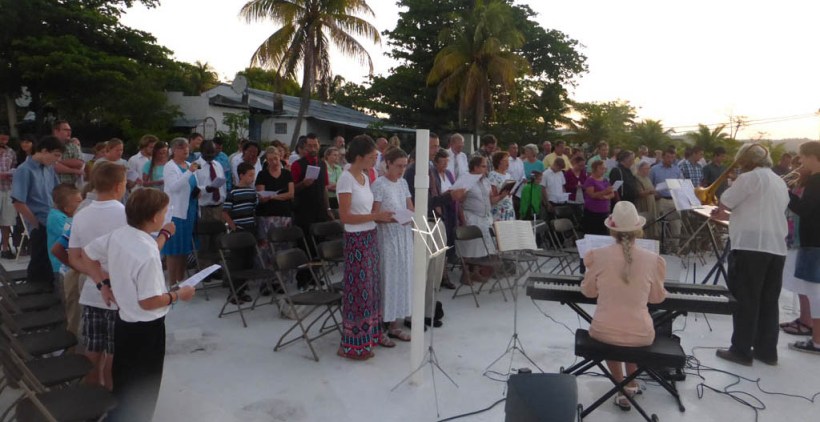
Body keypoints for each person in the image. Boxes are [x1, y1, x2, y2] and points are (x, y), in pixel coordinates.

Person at [80, 188, 194, 422]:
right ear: (154, 217)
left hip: (125, 323)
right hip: (146, 330)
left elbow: (88, 254)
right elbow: (149, 301)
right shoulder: (148, 255)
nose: (165, 216)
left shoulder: (121, 235)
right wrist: (178, 294)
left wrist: (102, 284)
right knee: (143, 390)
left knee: (124, 384)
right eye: (163, 212)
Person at [581, 201, 667, 410]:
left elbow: (588, 292)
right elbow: (657, 299)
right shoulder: (652, 259)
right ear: (638, 229)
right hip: (641, 333)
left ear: (612, 230)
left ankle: (621, 387)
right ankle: (630, 382)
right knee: (631, 332)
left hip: (603, 330)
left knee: (613, 333)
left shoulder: (598, 255)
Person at [712, 143, 789, 366]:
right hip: (775, 247)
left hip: (750, 247)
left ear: (745, 160)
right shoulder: (779, 181)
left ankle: (741, 350)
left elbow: (725, 201)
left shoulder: (749, 178)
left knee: (746, 299)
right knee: (768, 301)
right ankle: (767, 351)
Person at [68, 162, 128, 389]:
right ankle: (112, 402)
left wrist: (97, 275)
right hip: (119, 296)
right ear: (118, 186)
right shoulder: (126, 214)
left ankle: (91, 402)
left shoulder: (81, 214)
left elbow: (74, 258)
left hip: (91, 293)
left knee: (92, 351)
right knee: (115, 355)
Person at [336, 135, 394, 360]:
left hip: (369, 236)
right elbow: (346, 217)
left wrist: (382, 217)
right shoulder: (346, 179)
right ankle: (352, 344)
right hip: (356, 240)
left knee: (371, 289)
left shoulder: (364, 176)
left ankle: (369, 336)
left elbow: (366, 212)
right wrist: (375, 216)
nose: (374, 160)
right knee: (358, 293)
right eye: (371, 157)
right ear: (359, 157)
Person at [372, 148, 414, 343]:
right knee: (387, 278)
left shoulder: (403, 183)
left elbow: (410, 207)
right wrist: (394, 219)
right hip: (387, 236)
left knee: (402, 278)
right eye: (398, 166)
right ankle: (380, 327)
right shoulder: (379, 184)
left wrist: (410, 216)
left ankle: (395, 324)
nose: (402, 170)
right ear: (387, 163)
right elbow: (375, 215)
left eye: (404, 166)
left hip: (403, 235)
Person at [12, 135, 64, 285]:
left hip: (53, 219)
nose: (57, 160)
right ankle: (34, 294)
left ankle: (49, 290)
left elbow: (58, 192)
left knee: (51, 262)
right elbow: (18, 201)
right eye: (55, 155)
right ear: (44, 151)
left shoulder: (49, 168)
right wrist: (35, 224)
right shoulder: (24, 170)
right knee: (39, 262)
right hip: (39, 222)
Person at [784, 141, 820, 355]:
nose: (801, 161)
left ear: (812, 156)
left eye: (803, 157)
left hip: (814, 243)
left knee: (815, 293)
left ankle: (816, 340)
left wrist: (787, 194)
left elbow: (805, 210)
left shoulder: (816, 181)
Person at [162, 138, 200, 286]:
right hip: (176, 212)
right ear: (174, 151)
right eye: (181, 148)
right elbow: (174, 187)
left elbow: (193, 185)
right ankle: (172, 282)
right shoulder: (169, 167)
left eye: (186, 148)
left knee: (184, 248)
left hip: (189, 210)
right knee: (174, 249)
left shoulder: (190, 165)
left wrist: (199, 191)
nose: (185, 150)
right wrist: (189, 173)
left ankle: (181, 280)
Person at [46, 184, 82, 334]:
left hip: (64, 267)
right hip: (61, 268)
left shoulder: (62, 216)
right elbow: (72, 238)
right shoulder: (59, 219)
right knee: (68, 306)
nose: (82, 204)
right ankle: (65, 340)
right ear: (67, 208)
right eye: (79, 202)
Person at [291, 133, 333, 257]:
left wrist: (328, 208)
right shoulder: (297, 165)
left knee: (320, 244)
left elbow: (324, 187)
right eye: (310, 146)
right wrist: (303, 184)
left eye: (315, 145)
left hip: (320, 210)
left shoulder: (322, 164)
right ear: (305, 147)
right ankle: (306, 275)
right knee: (307, 246)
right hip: (304, 211)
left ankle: (318, 273)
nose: (313, 148)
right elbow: (292, 189)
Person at [457, 156, 496, 282]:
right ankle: (466, 273)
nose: (487, 169)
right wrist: (463, 221)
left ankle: (475, 272)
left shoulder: (485, 181)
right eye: (484, 166)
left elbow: (490, 200)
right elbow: (459, 201)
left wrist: (503, 195)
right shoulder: (466, 179)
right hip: (471, 217)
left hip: (484, 218)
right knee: (470, 247)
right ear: (475, 167)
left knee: (481, 248)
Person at [255, 147, 294, 268]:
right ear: (267, 160)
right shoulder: (262, 174)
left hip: (284, 214)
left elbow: (290, 194)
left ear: (280, 157)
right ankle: (266, 275)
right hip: (267, 215)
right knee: (266, 246)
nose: (274, 162)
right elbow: (261, 195)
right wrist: (278, 196)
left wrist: (272, 196)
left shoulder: (287, 174)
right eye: (270, 159)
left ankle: (283, 276)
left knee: (284, 245)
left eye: (276, 159)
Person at [650, 148, 683, 251]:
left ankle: (675, 248)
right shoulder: (654, 169)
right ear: (663, 157)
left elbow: (681, 183)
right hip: (660, 199)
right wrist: (655, 193)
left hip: (673, 199)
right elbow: (650, 184)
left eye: (673, 157)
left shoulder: (677, 169)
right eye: (668, 157)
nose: (670, 159)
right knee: (658, 224)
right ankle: (658, 247)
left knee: (676, 224)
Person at [194, 140, 227, 223]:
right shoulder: (196, 165)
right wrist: (206, 189)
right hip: (204, 208)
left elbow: (223, 185)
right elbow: (193, 186)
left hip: (219, 208)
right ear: (201, 151)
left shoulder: (218, 165)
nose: (211, 155)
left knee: (220, 235)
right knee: (204, 235)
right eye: (207, 152)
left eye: (213, 152)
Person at [583, 160, 615, 235]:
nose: (603, 171)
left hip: (604, 211)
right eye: (601, 168)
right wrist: (604, 192)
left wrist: (606, 197)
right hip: (593, 212)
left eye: (604, 168)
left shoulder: (605, 180)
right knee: (594, 233)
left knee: (605, 232)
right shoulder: (590, 180)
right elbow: (592, 195)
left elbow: (612, 194)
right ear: (594, 169)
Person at [0, 133, 18, 258]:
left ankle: (5, 248)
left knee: (7, 220)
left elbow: (14, 167)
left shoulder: (11, 152)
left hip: (8, 188)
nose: (4, 141)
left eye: (6, 138)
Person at [52, 120, 83, 185]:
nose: (69, 132)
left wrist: (58, 161)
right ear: (56, 131)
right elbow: (53, 166)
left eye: (70, 130)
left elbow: (79, 163)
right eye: (66, 130)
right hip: (51, 186)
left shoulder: (74, 146)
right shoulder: (47, 145)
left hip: (69, 186)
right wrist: (74, 170)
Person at [488, 151, 515, 221]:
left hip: (509, 209)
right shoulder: (493, 175)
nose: (508, 162)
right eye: (505, 160)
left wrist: (510, 192)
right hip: (499, 210)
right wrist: (501, 196)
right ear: (498, 162)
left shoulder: (508, 175)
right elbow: (492, 198)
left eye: (508, 160)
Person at [634, 161, 658, 238]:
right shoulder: (637, 178)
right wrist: (650, 191)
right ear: (640, 169)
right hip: (643, 204)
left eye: (649, 168)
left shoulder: (647, 178)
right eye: (646, 168)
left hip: (651, 203)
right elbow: (639, 193)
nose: (648, 170)